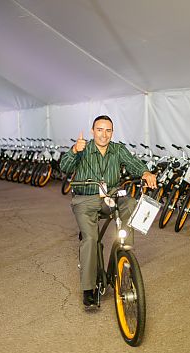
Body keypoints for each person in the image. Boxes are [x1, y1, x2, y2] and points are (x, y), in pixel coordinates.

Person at [59, 115, 157, 306]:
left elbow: (133, 163)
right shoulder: (83, 148)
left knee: (129, 202)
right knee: (90, 239)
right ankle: (88, 288)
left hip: (110, 198)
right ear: (92, 131)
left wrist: (145, 173)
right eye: (100, 130)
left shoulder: (117, 149)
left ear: (112, 132)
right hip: (85, 200)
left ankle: (123, 250)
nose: (104, 135)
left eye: (108, 130)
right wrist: (73, 150)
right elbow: (64, 167)